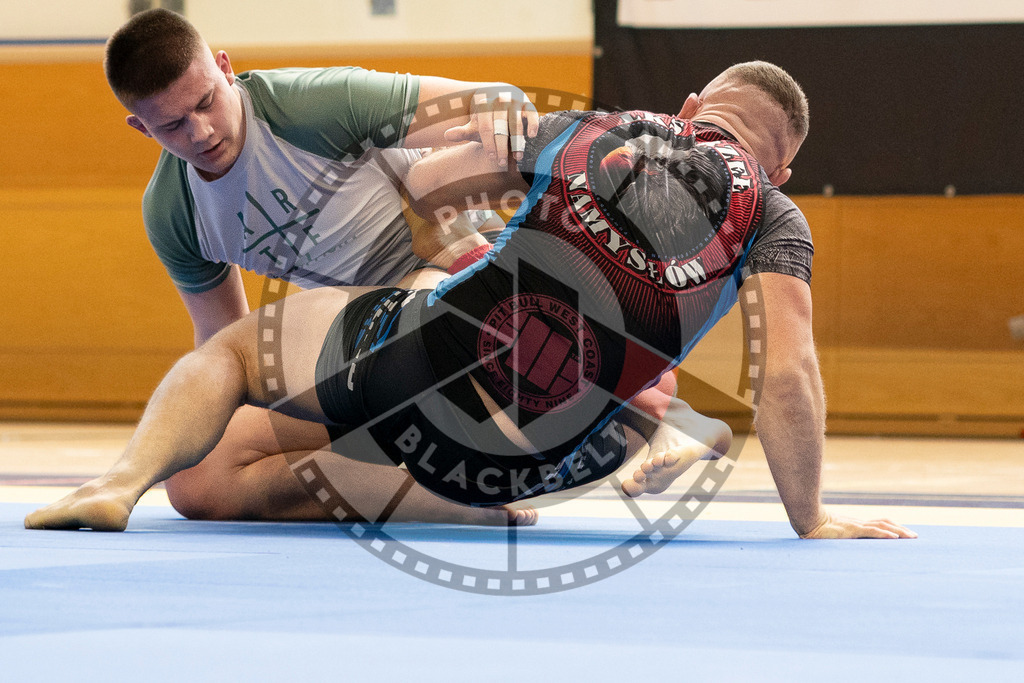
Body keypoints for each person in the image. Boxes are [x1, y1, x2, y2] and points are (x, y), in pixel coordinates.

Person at [27, 61, 914, 540]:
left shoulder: (599, 132)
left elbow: (444, 174)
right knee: (216, 482)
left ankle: (116, 485)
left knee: (226, 368)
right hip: (527, 460)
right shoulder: (777, 214)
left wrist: (455, 252)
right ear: (782, 164)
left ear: (690, 107)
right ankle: (492, 487)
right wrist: (813, 519)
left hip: (434, 351)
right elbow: (790, 372)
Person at [102, 8, 539, 526]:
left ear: (224, 68)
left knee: (414, 335)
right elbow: (225, 340)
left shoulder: (314, 103)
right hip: (357, 347)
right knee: (199, 481)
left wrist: (503, 104)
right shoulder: (174, 210)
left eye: (206, 102)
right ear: (141, 127)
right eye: (172, 125)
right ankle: (445, 500)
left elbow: (491, 99)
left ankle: (471, 438)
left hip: (449, 291)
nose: (200, 132)